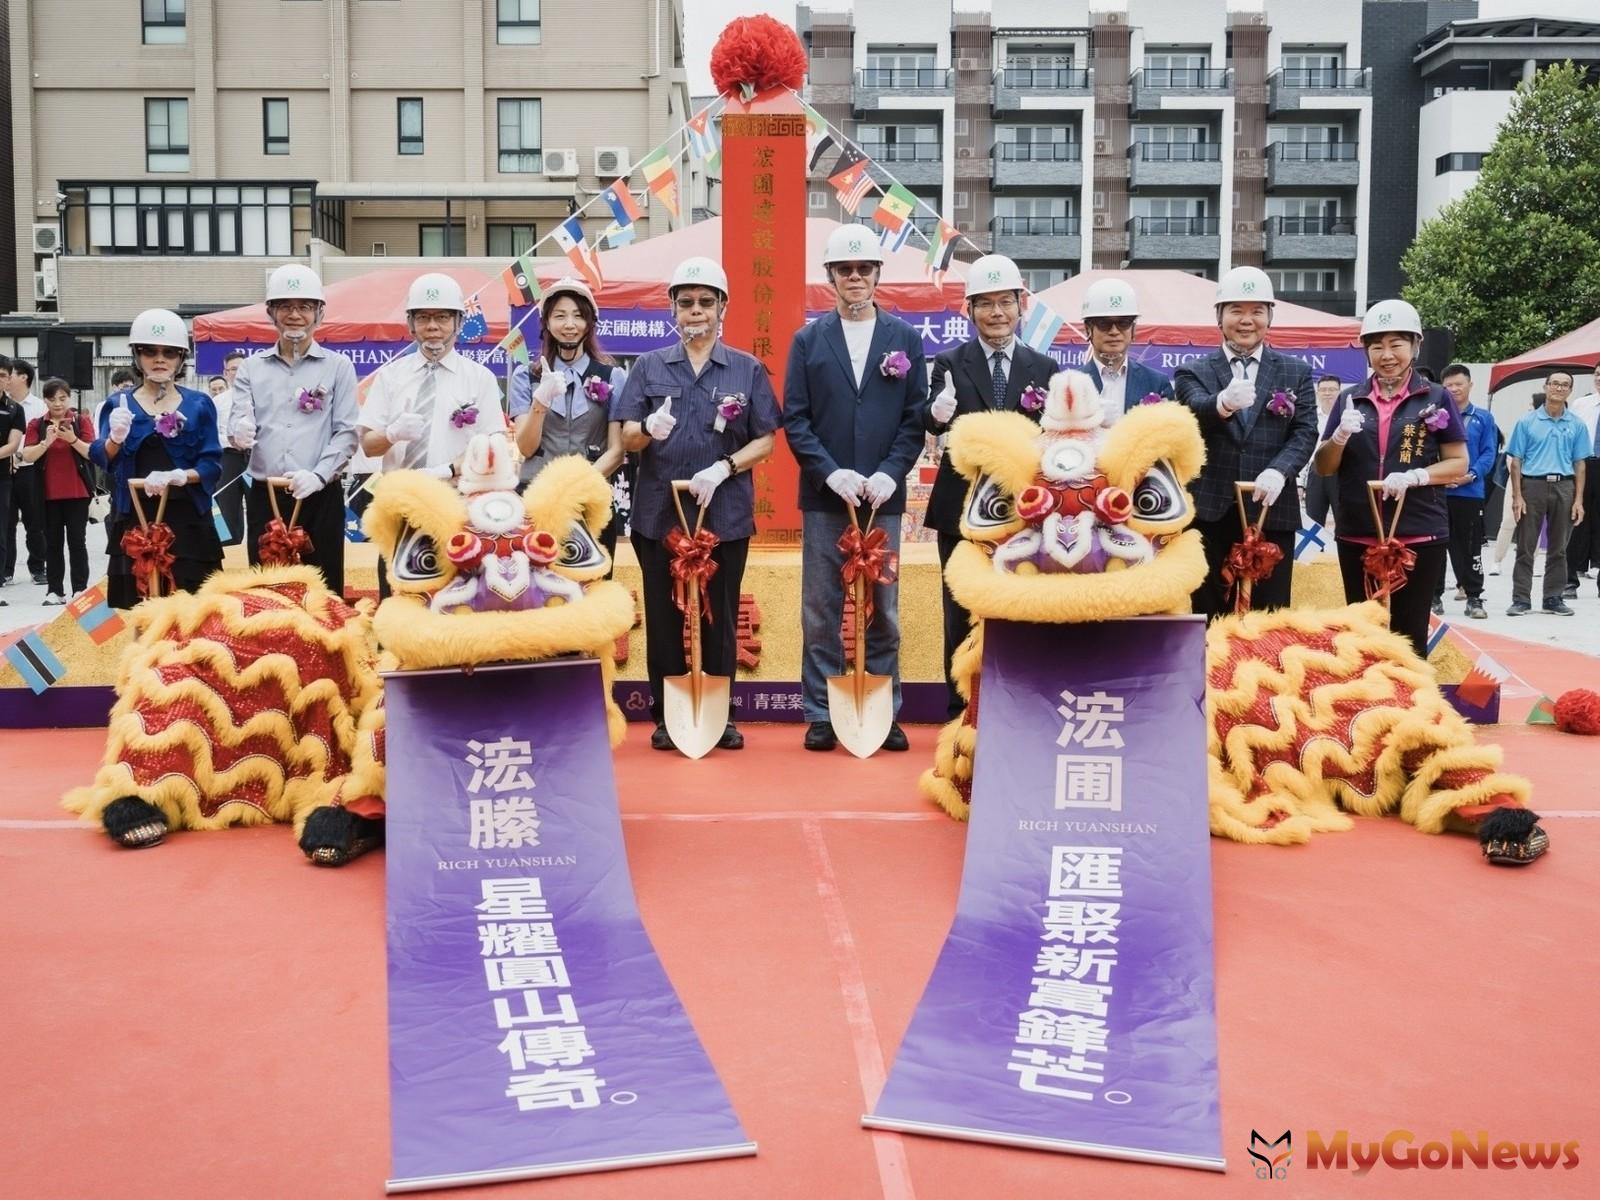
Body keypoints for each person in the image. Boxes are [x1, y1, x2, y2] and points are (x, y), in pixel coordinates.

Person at [615, 256, 779, 753]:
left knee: (719, 615)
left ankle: (720, 713)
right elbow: (626, 436)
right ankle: (668, 717)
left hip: (723, 515)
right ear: (672, 308)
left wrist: (724, 467)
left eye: (706, 302)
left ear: (722, 307)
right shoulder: (647, 366)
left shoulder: (747, 369)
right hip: (657, 515)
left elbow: (766, 440)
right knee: (665, 619)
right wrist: (647, 430)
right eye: (685, 302)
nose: (695, 311)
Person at [783, 225, 928, 752]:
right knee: (822, 607)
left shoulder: (905, 340)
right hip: (826, 499)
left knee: (883, 607)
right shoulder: (808, 340)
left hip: (882, 500)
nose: (855, 277)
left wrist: (892, 469)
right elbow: (795, 419)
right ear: (830, 277)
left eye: (864, 268)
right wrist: (830, 472)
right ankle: (821, 712)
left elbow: (915, 418)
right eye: (845, 269)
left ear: (877, 275)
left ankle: (884, 712)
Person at [923, 253, 1057, 718]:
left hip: (1025, 510)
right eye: (985, 304)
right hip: (959, 507)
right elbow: (928, 420)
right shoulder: (948, 362)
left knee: (1019, 604)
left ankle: (1017, 709)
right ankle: (960, 708)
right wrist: (935, 414)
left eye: (1005, 302)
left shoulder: (1045, 368)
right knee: (959, 605)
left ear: (1022, 306)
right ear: (969, 310)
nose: (996, 313)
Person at [1313, 300, 1467, 660]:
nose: (1387, 355)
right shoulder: (1350, 399)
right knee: (1362, 632)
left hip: (1417, 533)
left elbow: (1458, 463)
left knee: (1409, 634)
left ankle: (1408, 711)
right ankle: (1366, 708)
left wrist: (1418, 475)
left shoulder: (1436, 398)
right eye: (1376, 345)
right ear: (1365, 350)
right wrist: (1337, 439)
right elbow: (1324, 467)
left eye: (1396, 344)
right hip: (1358, 533)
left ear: (1415, 346)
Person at [1175, 267, 1317, 617]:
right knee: (1207, 610)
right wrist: (1222, 403)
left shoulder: (1294, 371)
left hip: (1271, 508)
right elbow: (1192, 411)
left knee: (1269, 615)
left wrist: (1279, 471)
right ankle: (1210, 673)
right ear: (1219, 316)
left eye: (1257, 311)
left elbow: (1305, 430)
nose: (1246, 320)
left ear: (1270, 316)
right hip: (1210, 511)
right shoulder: (1194, 370)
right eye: (1236, 310)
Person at [359, 272, 507, 597]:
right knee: (398, 596)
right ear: (410, 324)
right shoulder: (390, 377)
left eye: (442, 317)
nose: (433, 326)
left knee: (455, 599)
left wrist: (448, 469)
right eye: (423, 317)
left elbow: (494, 445)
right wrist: (392, 433)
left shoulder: (479, 378)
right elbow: (369, 445)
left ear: (459, 321)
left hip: (459, 505)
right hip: (400, 504)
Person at [227, 264, 358, 597]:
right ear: (271, 312)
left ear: (319, 313)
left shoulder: (338, 367)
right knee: (266, 593)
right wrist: (238, 431)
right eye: (285, 306)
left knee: (323, 591)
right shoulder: (251, 368)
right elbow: (239, 419)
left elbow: (346, 432)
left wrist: (318, 475)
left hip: (319, 494)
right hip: (265, 495)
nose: (295, 315)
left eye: (305, 306)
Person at [90, 310, 223, 608]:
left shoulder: (200, 404)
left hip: (187, 520)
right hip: (135, 518)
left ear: (181, 358)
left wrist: (180, 475)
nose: (160, 359)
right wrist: (115, 438)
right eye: (149, 351)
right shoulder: (117, 404)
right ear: (137, 356)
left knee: (193, 609)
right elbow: (102, 459)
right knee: (140, 608)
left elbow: (212, 465)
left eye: (169, 352)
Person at [509, 277, 629, 563]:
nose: (569, 324)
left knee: (592, 587)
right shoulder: (525, 376)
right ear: (546, 323)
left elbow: (617, 450)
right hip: (535, 497)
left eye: (578, 315)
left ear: (590, 323)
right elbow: (525, 448)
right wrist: (541, 401)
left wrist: (576, 486)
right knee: (539, 590)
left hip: (590, 499)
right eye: (559, 315)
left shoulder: (614, 376)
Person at [1503, 370, 1590, 616]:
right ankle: (1521, 598)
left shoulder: (1576, 424)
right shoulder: (1526, 422)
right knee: (1526, 545)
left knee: (1559, 547)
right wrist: (1517, 496)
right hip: (1532, 486)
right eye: (1555, 384)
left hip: (1565, 486)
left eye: (1565, 385)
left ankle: (1553, 597)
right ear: (1546, 386)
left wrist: (1579, 500)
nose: (1559, 388)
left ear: (1570, 391)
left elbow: (1580, 464)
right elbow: (1516, 461)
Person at [17, 378, 96, 604]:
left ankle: (80, 588)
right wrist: (46, 442)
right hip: (47, 494)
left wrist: (71, 438)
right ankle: (55, 590)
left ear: (69, 398)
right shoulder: (37, 424)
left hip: (77, 492)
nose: (58, 404)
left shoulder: (80, 421)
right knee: (52, 543)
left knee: (77, 542)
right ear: (45, 400)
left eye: (62, 398)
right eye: (52, 399)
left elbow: (91, 452)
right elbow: (27, 456)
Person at [1433, 364, 1496, 620]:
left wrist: (1470, 476)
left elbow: (1489, 452)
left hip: (1469, 493)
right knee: (1434, 547)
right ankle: (1433, 596)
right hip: (1437, 493)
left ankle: (1474, 596)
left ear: (1470, 385)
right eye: (1448, 385)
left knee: (1470, 547)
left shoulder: (1483, 417)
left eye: (1459, 383)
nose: (1454, 389)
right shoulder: (1434, 417)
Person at [1076, 277, 1173, 422]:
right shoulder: (1071, 384)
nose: (1114, 331)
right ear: (1088, 329)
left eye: (1123, 323)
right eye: (1104, 323)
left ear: (1133, 328)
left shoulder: (1156, 383)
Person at [4, 357, 47, 586]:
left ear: (24, 377)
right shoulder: (4, 405)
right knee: (6, 523)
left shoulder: (40, 407)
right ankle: (6, 569)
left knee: (35, 522)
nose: (6, 380)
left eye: (10, 375)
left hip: (30, 470)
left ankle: (38, 567)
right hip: (4, 469)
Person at [1561, 363, 1600, 597]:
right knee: (1575, 520)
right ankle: (1569, 581)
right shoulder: (1581, 404)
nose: (1599, 379)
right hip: (1582, 465)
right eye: (1597, 374)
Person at [210, 349, 249, 546]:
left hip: (254, 458)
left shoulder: (261, 396)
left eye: (242, 368)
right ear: (226, 373)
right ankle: (230, 549)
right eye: (233, 369)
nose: (237, 372)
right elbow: (211, 433)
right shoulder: (218, 402)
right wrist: (232, 439)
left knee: (260, 506)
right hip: (229, 458)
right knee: (227, 508)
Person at [1303, 375, 1343, 528]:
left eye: (1332, 389)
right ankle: (1313, 552)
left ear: (1339, 392)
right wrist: (1300, 483)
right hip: (1315, 471)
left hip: (1340, 472)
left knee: (1343, 518)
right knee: (1312, 520)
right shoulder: (1310, 417)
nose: (1327, 393)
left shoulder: (1346, 417)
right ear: (1317, 393)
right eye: (1323, 390)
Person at [0, 360, 20, 605]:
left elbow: (14, 444)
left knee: (1, 532)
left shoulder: (15, 409)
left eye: (3, 375)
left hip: (2, 478)